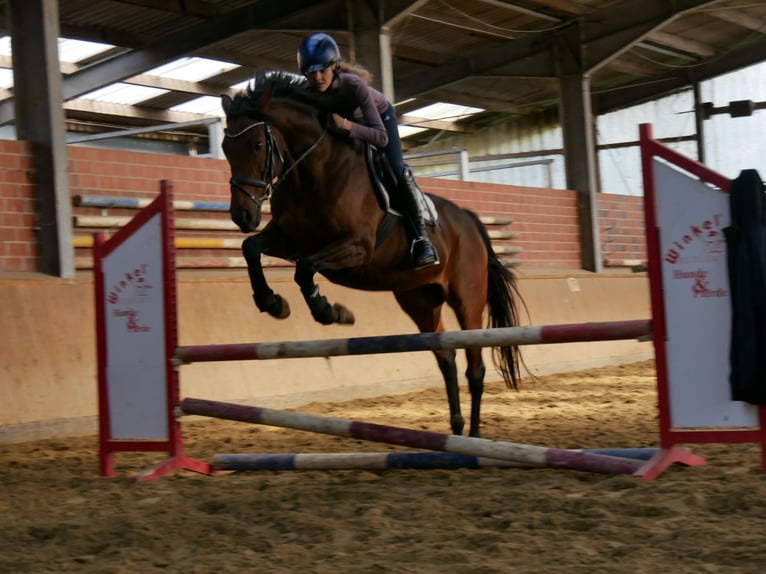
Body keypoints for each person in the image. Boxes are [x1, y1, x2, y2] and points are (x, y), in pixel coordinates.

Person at [297, 32, 439, 270]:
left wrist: (345, 125)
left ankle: (420, 240)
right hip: (343, 128)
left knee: (395, 169)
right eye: (311, 72)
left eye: (323, 70)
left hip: (380, 122)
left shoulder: (353, 86)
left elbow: (381, 137)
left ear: (334, 66)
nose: (318, 77)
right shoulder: (307, 92)